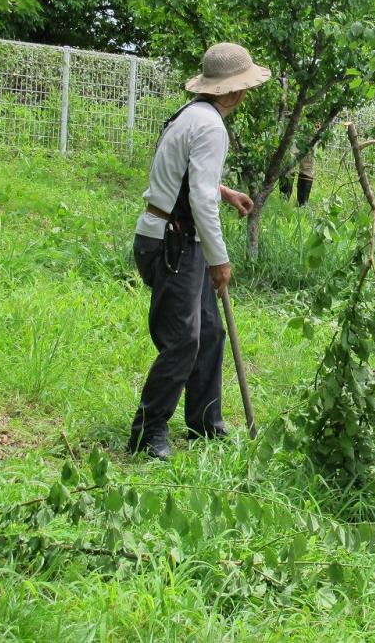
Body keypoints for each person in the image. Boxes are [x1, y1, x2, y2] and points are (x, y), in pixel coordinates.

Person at [129, 42, 271, 459]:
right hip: (172, 241)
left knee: (210, 331)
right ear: (231, 91)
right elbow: (199, 201)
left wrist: (224, 191)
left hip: (174, 235)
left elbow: (191, 180)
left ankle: (205, 423)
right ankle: (147, 431)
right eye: (243, 87)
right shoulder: (210, 126)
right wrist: (220, 258)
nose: (245, 95)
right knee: (182, 341)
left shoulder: (192, 115)